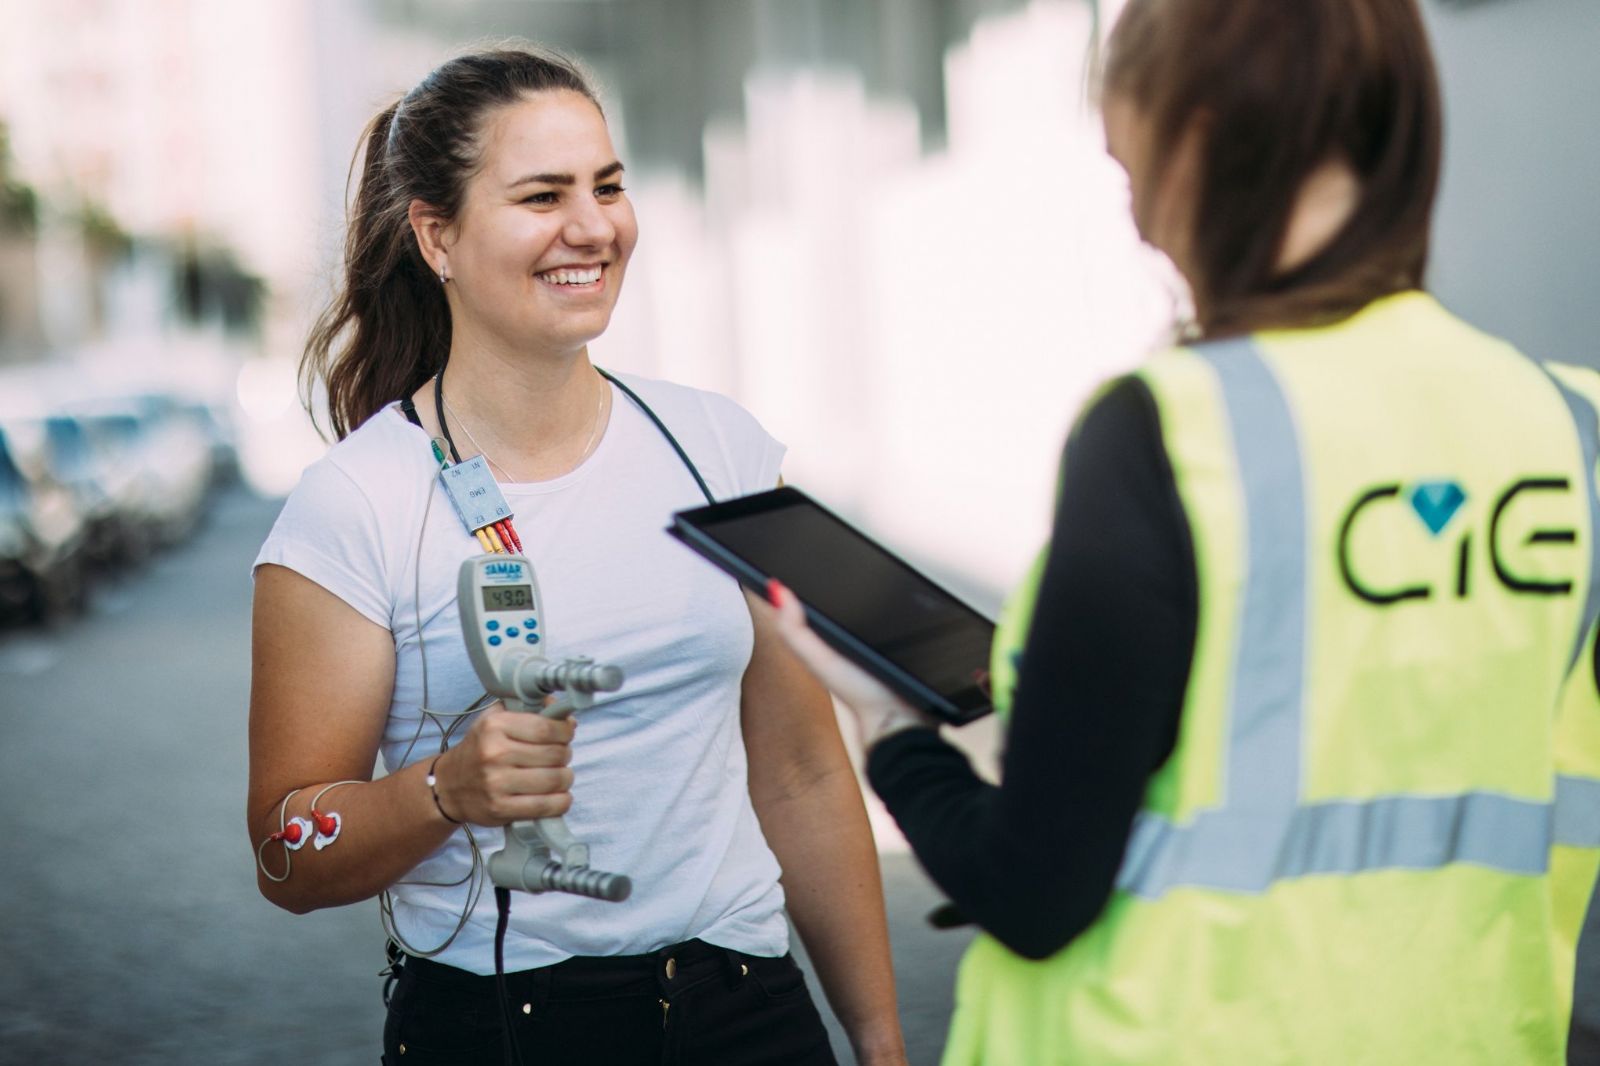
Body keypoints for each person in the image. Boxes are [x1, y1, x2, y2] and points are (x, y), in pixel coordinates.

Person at [768, 0, 1600, 1062]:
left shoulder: (1173, 430)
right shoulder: (1566, 428)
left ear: (1200, 139)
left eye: (1131, 172)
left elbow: (1035, 888)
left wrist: (893, 735)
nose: (1142, 225)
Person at [246, 47, 907, 1066]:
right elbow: (285, 853)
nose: (593, 226)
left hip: (746, 1008)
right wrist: (442, 792)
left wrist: (876, 1036)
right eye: (542, 195)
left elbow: (806, 771)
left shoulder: (719, 446)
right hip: (504, 1029)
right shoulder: (355, 505)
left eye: (607, 186)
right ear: (438, 237)